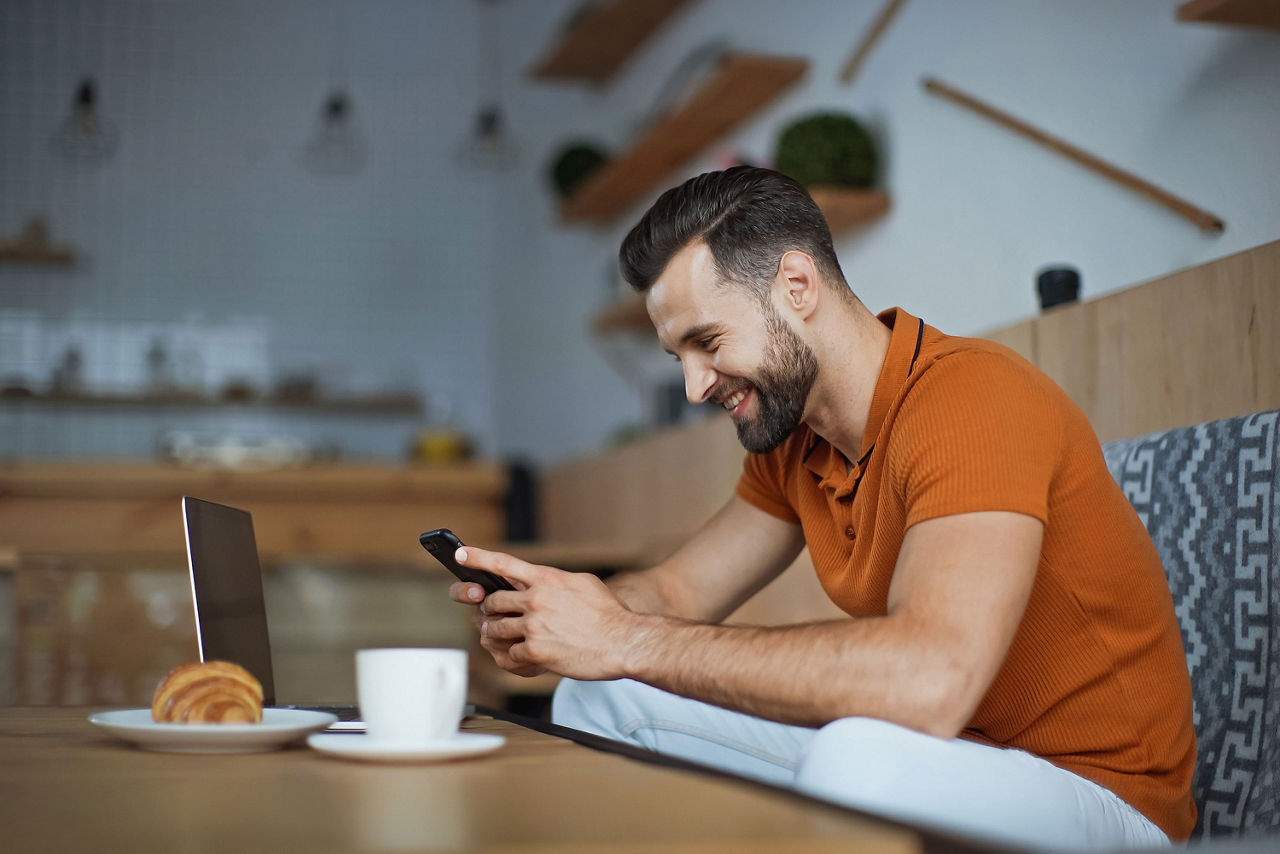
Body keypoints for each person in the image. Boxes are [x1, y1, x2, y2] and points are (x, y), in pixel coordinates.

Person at [449, 166, 1195, 849]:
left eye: (706, 342)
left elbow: (930, 680)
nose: (694, 387)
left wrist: (630, 640)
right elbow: (675, 593)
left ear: (796, 286)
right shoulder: (793, 439)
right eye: (679, 357)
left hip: (1105, 801)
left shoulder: (974, 400)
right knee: (602, 692)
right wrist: (567, 617)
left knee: (857, 759)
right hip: (957, 760)